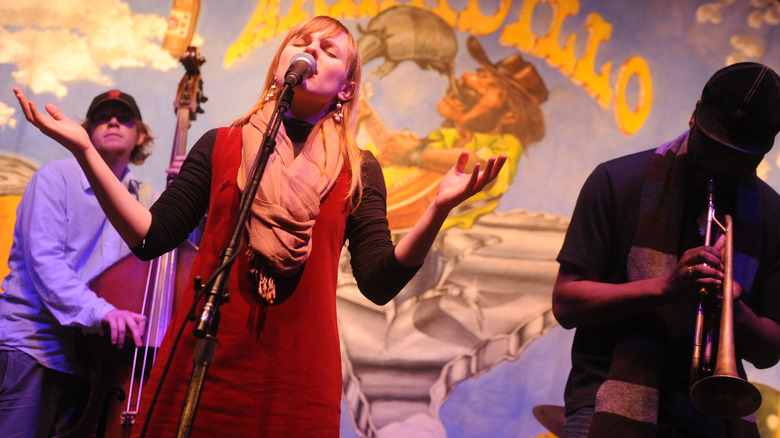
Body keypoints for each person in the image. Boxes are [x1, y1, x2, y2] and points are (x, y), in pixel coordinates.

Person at [14, 16, 507, 437]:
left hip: (298, 373)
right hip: (204, 361)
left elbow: (379, 281)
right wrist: (83, 151)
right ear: (280, 66)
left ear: (348, 85)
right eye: (302, 42)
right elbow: (151, 237)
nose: (312, 49)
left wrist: (437, 209)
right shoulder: (220, 144)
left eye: (329, 48)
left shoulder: (359, 168)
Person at [552, 62, 780, 438]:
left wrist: (734, 309)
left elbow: (770, 350)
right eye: (714, 146)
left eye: (739, 158)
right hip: (606, 402)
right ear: (694, 115)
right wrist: (664, 287)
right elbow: (566, 303)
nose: (720, 165)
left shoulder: (772, 217)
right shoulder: (616, 181)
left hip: (712, 413)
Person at [0, 90, 154, 437]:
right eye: (102, 118)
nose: (113, 122)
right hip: (32, 349)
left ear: (140, 135)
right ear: (84, 130)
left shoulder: (144, 200)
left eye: (124, 118)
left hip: (91, 364)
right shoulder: (54, 178)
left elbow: (177, 256)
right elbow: (45, 263)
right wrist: (102, 311)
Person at [374, 35, 547, 230]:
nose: (468, 78)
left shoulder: (507, 144)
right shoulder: (448, 136)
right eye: (481, 74)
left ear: (509, 116)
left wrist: (416, 153)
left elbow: (484, 170)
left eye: (493, 86)